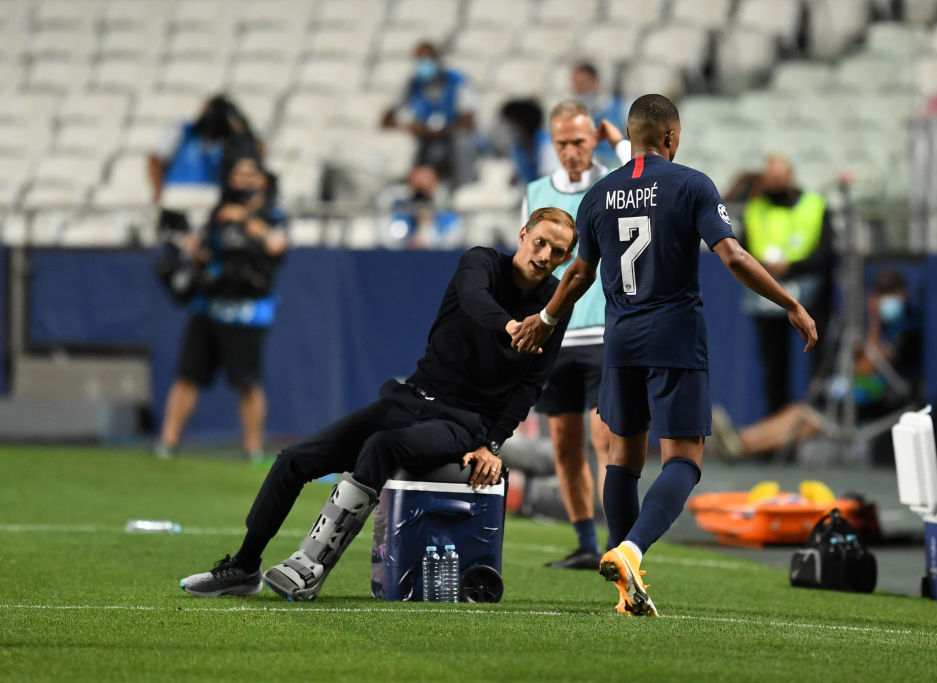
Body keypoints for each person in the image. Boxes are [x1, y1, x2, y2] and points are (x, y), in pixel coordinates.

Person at [510, 94, 817, 616]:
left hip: (621, 340)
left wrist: (546, 318)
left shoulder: (600, 195)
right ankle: (631, 549)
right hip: (674, 335)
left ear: (630, 138)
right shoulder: (692, 184)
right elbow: (733, 256)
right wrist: (790, 301)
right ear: (672, 137)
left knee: (622, 461)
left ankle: (627, 584)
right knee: (684, 460)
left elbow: (579, 274)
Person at [179, 207, 577, 601]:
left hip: (463, 422)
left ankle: (311, 564)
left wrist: (491, 444)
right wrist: (513, 326)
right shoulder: (480, 261)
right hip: (411, 397)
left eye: (558, 252)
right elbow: (474, 299)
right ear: (522, 234)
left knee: (382, 445)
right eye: (540, 242)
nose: (545, 256)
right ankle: (245, 567)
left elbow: (530, 384)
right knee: (291, 460)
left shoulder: (556, 305)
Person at [520, 100, 630, 570]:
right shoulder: (535, 192)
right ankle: (587, 543)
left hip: (604, 332)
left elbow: (655, 181)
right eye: (562, 142)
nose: (571, 151)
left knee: (605, 438)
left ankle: (620, 542)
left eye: (580, 141)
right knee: (564, 445)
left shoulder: (615, 181)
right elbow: (526, 262)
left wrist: (620, 142)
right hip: (555, 333)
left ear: (595, 139)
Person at [155, 154, 288, 461]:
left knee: (248, 382)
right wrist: (189, 248)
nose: (242, 181)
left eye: (249, 175)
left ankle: (253, 448)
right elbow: (207, 254)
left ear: (262, 180)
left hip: (247, 312)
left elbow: (277, 245)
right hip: (209, 306)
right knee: (188, 376)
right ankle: (167, 441)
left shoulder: (271, 215)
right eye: (237, 175)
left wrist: (241, 218)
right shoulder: (218, 214)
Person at [713, 269, 922, 460]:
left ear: (902, 293)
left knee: (807, 419)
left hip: (883, 401)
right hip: (853, 394)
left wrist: (874, 320)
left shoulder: (907, 329)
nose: (883, 299)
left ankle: (741, 445)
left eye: (890, 292)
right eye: (879, 292)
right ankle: (740, 441)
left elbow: (867, 366)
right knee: (799, 410)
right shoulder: (883, 327)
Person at [741, 153, 833, 416]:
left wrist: (791, 267)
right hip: (767, 297)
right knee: (773, 369)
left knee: (818, 366)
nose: (775, 185)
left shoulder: (814, 205)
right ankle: (775, 432)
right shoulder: (755, 208)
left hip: (810, 296)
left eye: (780, 179)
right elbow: (742, 250)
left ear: (790, 178)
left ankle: (815, 424)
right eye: (770, 180)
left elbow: (826, 252)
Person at [381, 41, 476, 185]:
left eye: (425, 60)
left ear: (436, 60)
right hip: (425, 139)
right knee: (418, 146)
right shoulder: (412, 84)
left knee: (461, 142)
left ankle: (463, 186)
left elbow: (467, 124)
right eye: (418, 61)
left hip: (451, 136)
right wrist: (410, 126)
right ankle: (418, 189)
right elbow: (387, 119)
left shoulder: (458, 82)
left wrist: (438, 132)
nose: (422, 65)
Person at [148, 94, 260, 204]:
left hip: (212, 197)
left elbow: (254, 151)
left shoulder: (227, 138)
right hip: (178, 195)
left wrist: (240, 127)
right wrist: (158, 190)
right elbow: (155, 160)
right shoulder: (181, 130)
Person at [570, 62, 625, 168]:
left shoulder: (618, 108)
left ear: (594, 81)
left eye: (582, 84)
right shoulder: (576, 115)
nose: (578, 90)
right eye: (576, 85)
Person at [501, 98, 559, 185]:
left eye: (513, 123)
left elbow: (549, 182)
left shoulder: (547, 145)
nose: (511, 127)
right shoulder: (519, 147)